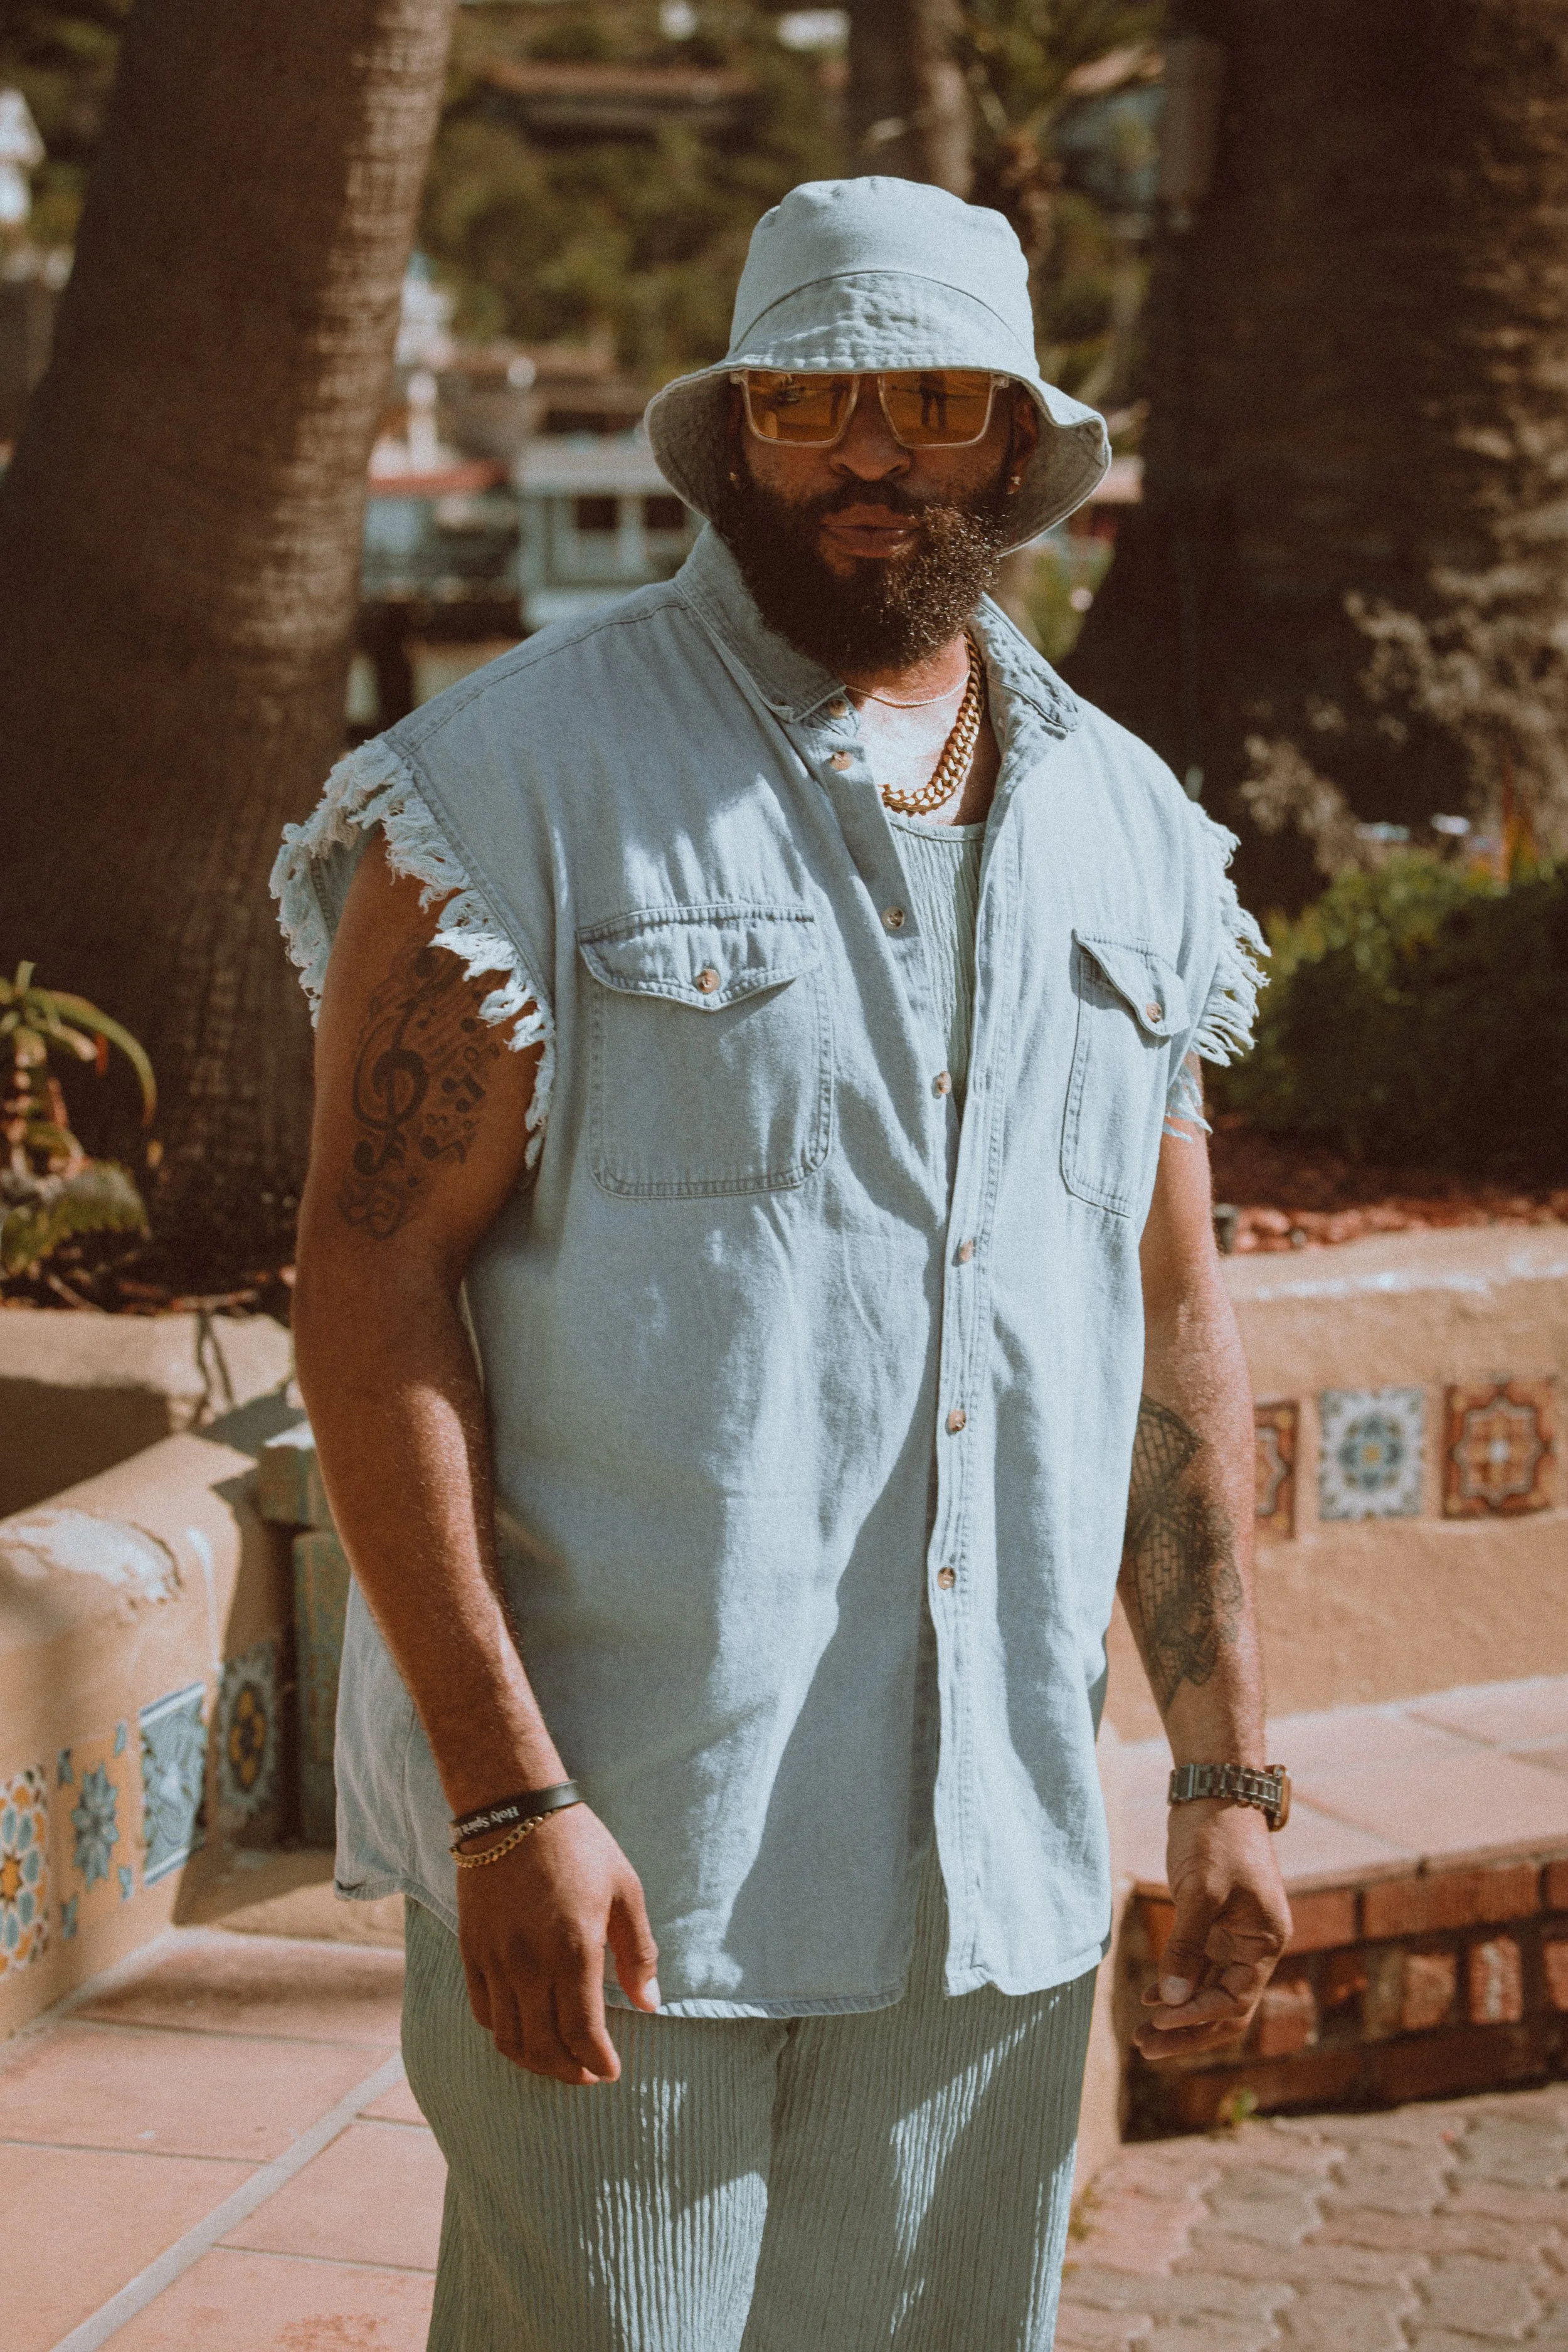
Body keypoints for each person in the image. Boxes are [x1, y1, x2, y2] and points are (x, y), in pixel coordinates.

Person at [274, 176, 1291, 2352]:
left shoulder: (1134, 834)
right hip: (630, 1863)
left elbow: (1166, 1323)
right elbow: (368, 1291)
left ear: (1011, 447)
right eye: (814, 396)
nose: (867, 453)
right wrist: (505, 1792)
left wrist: (1219, 1775)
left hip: (988, 1889)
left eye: (927, 399)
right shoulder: (506, 788)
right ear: (734, 426)